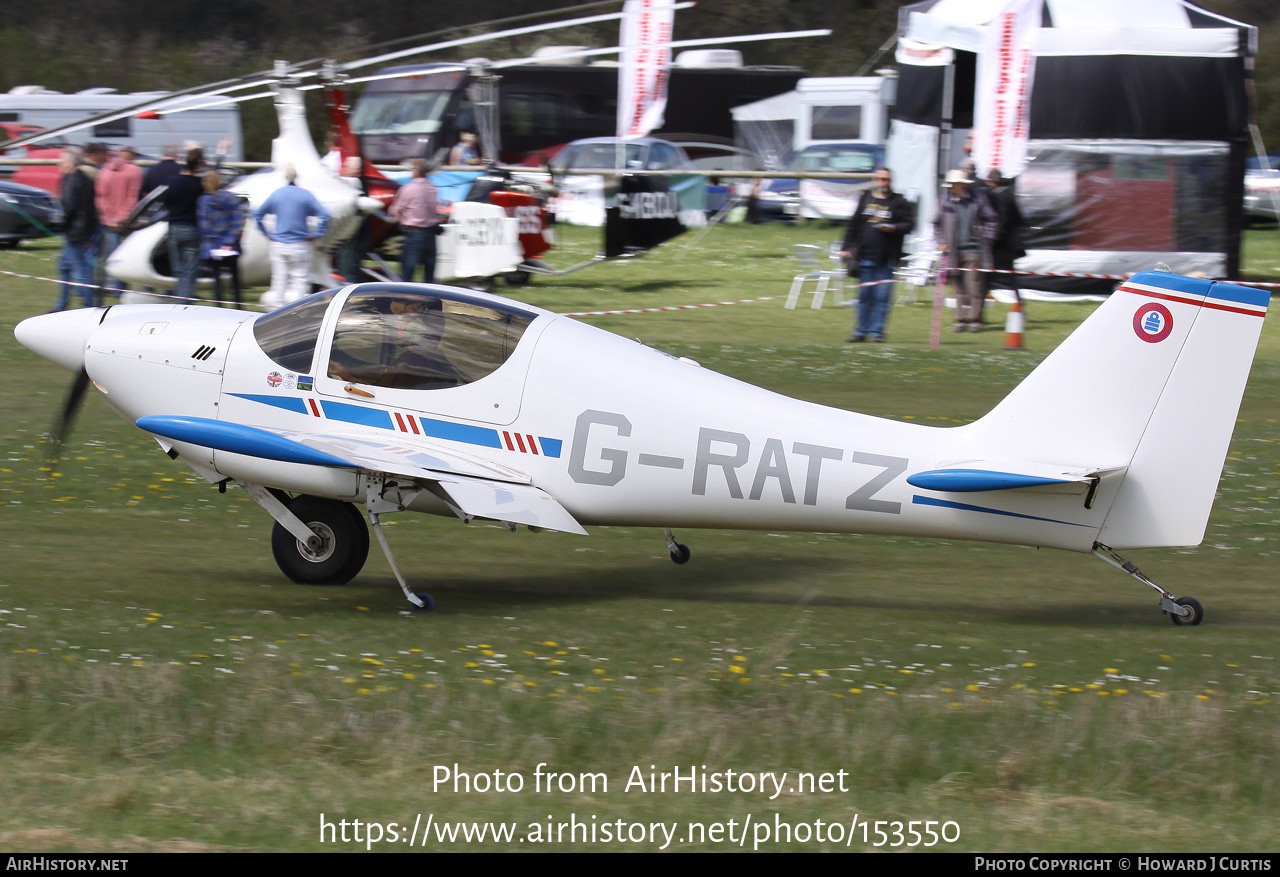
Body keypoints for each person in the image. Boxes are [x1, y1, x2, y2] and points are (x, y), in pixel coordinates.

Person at [838, 167, 914, 343]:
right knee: (864, 297)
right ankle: (860, 331)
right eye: (880, 179)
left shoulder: (899, 201)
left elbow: (909, 224)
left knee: (882, 298)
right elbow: (854, 224)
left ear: (890, 181)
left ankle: (877, 332)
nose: (883, 183)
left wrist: (893, 228)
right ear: (875, 179)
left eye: (886, 180)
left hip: (886, 259)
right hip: (864, 257)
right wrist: (846, 247)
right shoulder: (866, 198)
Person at [254, 164, 330, 305]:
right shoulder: (305, 194)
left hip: (279, 243)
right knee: (300, 279)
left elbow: (258, 214)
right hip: (301, 244)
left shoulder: (277, 194)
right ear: (297, 177)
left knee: (279, 278)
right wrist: (317, 234)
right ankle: (298, 309)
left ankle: (277, 307)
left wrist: (266, 233)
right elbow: (325, 215)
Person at [933, 168, 998, 333]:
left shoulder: (978, 200)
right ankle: (960, 319)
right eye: (953, 184)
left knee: (975, 286)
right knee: (958, 287)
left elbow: (992, 219)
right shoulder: (944, 202)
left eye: (959, 184)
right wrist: (941, 242)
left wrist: (987, 239)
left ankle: (975, 319)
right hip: (953, 251)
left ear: (964, 185)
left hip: (974, 250)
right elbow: (935, 223)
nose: (956, 187)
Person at [52, 150, 100, 311]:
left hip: (74, 232)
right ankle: (61, 304)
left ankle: (89, 306)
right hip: (85, 230)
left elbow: (69, 208)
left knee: (80, 272)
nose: (61, 165)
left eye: (63, 162)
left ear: (71, 163)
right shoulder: (86, 179)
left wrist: (60, 225)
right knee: (64, 267)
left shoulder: (69, 180)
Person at [95, 145, 143, 293]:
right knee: (128, 256)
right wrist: (122, 217)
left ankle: (112, 286)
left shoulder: (105, 170)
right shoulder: (134, 171)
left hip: (108, 220)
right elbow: (132, 197)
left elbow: (101, 196)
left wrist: (110, 217)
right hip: (126, 220)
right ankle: (123, 287)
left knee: (111, 255)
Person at [161, 149, 206, 300]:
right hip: (192, 227)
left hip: (174, 227)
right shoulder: (199, 185)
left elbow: (166, 202)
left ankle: (181, 296)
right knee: (190, 269)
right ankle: (184, 300)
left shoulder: (172, 181)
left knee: (178, 269)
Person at [197, 171, 246, 307]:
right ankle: (238, 307)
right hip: (231, 247)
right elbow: (237, 221)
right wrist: (228, 241)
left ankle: (220, 309)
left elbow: (204, 226)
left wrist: (218, 243)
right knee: (235, 280)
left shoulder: (203, 201)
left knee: (217, 282)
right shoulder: (231, 198)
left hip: (213, 247)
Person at [388, 159, 442, 283]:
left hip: (414, 234)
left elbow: (395, 211)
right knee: (429, 277)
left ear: (417, 171)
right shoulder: (433, 189)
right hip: (431, 234)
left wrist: (399, 216)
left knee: (407, 275)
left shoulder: (408, 188)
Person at [983, 170, 1025, 294]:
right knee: (1010, 272)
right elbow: (1019, 218)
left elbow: (998, 219)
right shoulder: (1009, 194)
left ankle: (983, 297)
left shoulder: (994, 196)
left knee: (990, 270)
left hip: (999, 242)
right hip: (1011, 241)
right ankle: (1018, 300)